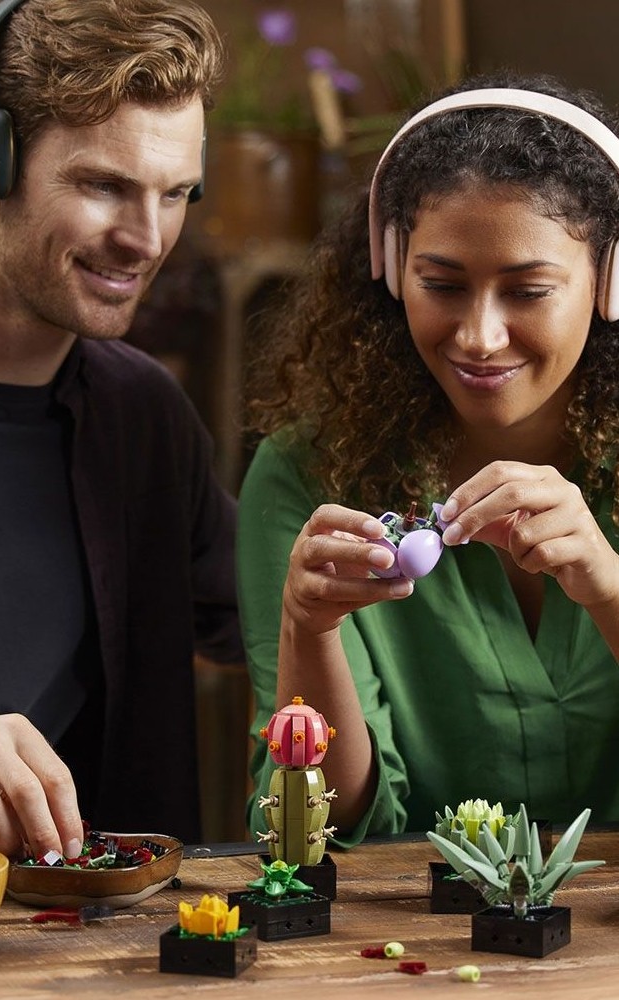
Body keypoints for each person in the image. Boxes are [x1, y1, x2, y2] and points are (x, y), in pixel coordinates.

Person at [0, 0, 243, 857]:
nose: (146, 240)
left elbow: (271, 627)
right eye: (105, 185)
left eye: (175, 194)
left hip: (70, 959)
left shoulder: (148, 418)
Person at [238, 70, 619, 846]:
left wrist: (609, 592)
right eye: (442, 284)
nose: (479, 336)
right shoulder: (305, 476)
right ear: (390, 265)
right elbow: (315, 836)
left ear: (611, 281)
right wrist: (307, 632)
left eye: (528, 291)